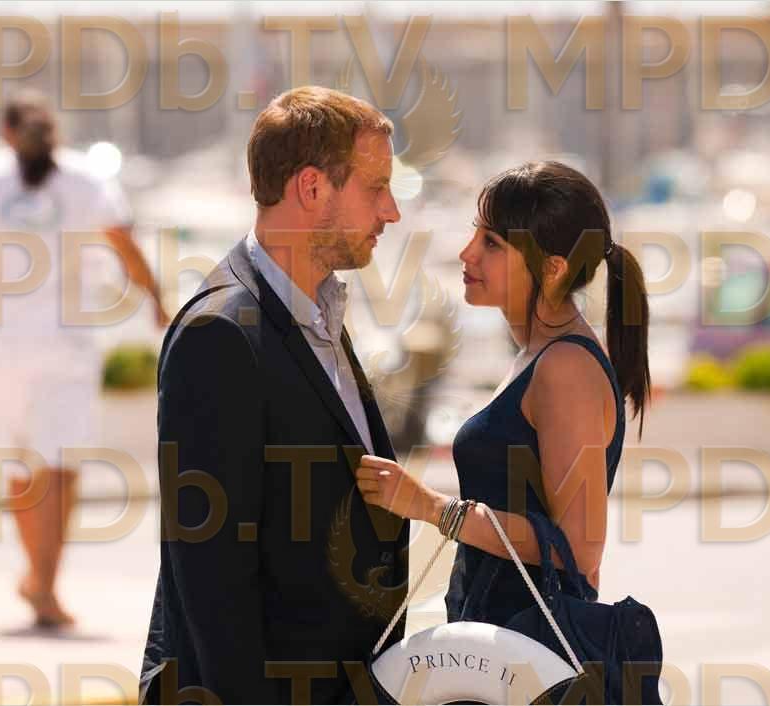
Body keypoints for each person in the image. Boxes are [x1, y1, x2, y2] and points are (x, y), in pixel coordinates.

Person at [139, 86, 409, 704]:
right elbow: (211, 575)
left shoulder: (317, 312)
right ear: (312, 188)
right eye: (376, 188)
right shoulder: (220, 333)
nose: (392, 211)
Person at [355, 161, 650, 629]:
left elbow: (579, 550)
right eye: (475, 233)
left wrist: (432, 507)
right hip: (498, 643)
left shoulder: (566, 368)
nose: (466, 253)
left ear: (552, 269)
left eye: (491, 243)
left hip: (527, 651)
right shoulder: (537, 355)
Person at [0, 90, 168, 627]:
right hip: (57, 349)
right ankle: (43, 581)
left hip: (11, 350)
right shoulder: (84, 181)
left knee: (28, 468)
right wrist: (157, 300)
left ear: (5, 133)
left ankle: (40, 581)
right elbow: (126, 247)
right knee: (56, 469)